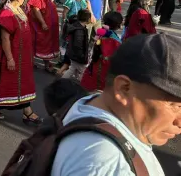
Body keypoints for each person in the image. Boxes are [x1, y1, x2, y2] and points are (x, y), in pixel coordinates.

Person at [51, 34, 178, 176]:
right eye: (175, 105)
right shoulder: (105, 165)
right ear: (124, 89)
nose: (179, 121)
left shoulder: (93, 104)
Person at [0, 0, 42, 125]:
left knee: (23, 83)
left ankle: (27, 111)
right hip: (7, 56)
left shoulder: (19, 9)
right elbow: (5, 38)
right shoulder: (6, 13)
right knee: (5, 82)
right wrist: (9, 58)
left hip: (22, 56)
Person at [80, 12, 124, 92]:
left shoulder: (101, 31)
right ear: (118, 25)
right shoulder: (114, 41)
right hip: (105, 72)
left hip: (95, 66)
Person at [27, 0, 60, 73]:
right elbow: (36, 9)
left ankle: (45, 64)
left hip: (48, 27)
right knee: (40, 44)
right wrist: (43, 23)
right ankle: (37, 63)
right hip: (41, 27)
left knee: (46, 44)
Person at [61, 9, 92, 81]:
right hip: (78, 55)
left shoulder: (77, 27)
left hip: (73, 53)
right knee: (82, 71)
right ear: (87, 19)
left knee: (72, 69)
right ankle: (82, 84)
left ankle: (63, 81)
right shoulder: (80, 30)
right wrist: (81, 56)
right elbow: (78, 44)